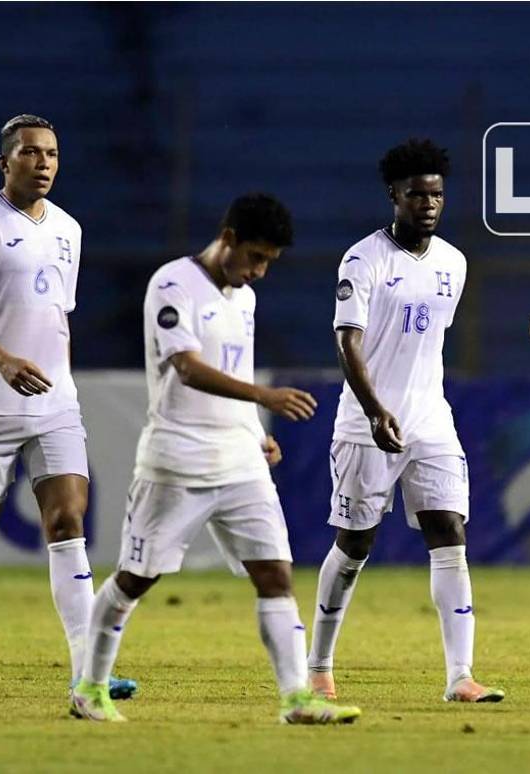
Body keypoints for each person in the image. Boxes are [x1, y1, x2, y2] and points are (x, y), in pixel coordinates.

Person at [69, 195, 361, 724]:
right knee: (136, 577)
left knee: (275, 573)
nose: (259, 271)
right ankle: (89, 687)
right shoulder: (173, 284)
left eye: (269, 261)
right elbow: (186, 367)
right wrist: (264, 397)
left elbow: (235, 368)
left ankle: (296, 699)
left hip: (239, 462)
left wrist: (254, 431)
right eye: (255, 257)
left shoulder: (244, 298)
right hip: (177, 460)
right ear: (228, 238)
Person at [0, 114, 136, 701]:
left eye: (51, 154)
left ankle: (87, 670)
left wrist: (60, 382)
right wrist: (2, 360)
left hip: (55, 405)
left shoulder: (69, 228)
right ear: (5, 162)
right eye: (30, 153)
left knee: (68, 523)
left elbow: (55, 317)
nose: (43, 163)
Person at [307, 139, 504, 704]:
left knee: (450, 534)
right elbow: (348, 341)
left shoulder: (453, 263)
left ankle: (460, 676)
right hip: (366, 423)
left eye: (436, 195)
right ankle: (318, 666)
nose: (429, 204)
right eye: (417, 194)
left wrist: (412, 409)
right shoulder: (363, 260)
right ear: (394, 195)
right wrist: (375, 410)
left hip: (430, 420)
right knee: (355, 542)